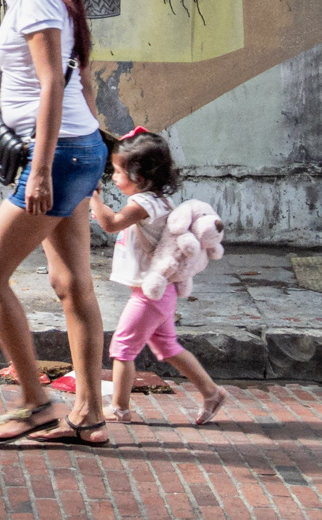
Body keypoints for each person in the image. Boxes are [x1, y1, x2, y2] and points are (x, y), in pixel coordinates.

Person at [0, 0, 112, 447]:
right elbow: (83, 80)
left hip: (58, 156)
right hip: (78, 149)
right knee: (72, 283)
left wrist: (45, 169)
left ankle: (35, 403)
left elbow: (54, 83)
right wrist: (92, 149)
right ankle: (90, 415)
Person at [90, 129, 230, 425]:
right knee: (168, 347)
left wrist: (93, 198)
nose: (114, 177)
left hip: (149, 294)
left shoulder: (144, 205)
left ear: (139, 177)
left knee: (122, 348)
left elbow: (111, 223)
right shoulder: (158, 202)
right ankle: (211, 392)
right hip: (159, 291)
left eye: (117, 171)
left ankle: (119, 408)